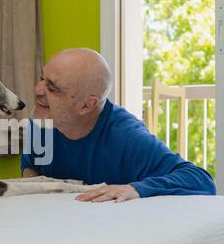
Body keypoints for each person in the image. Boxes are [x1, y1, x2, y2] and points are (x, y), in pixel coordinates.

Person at [21, 48, 216, 203]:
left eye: (52, 88)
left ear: (87, 105)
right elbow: (30, 164)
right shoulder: (40, 123)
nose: (37, 90)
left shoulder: (126, 137)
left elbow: (200, 180)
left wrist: (134, 189)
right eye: (41, 79)